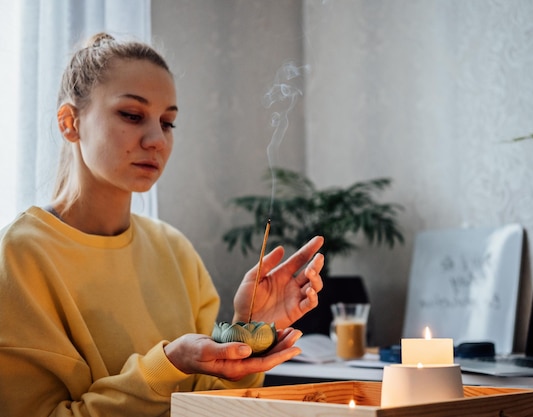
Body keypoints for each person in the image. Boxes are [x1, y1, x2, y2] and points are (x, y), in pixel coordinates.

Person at [0, 33, 324, 417]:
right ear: (71, 123)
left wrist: (247, 334)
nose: (156, 140)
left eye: (168, 122)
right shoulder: (21, 256)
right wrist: (168, 363)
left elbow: (209, 406)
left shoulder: (175, 250)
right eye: (132, 116)